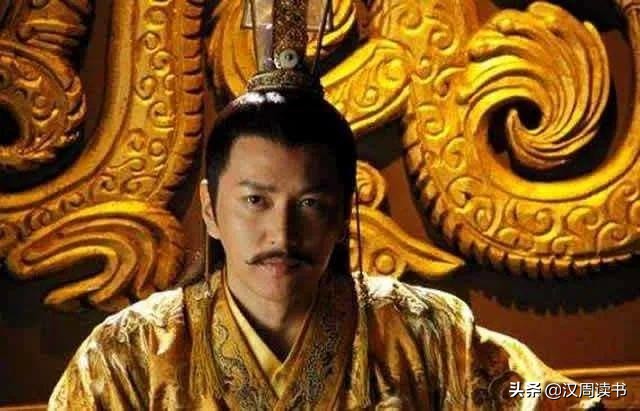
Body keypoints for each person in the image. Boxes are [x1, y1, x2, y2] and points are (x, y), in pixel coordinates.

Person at [49, 1, 602, 409]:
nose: (282, 232)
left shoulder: (427, 335)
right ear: (211, 209)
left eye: (310, 203)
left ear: (341, 216)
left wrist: (614, 391)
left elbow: (562, 396)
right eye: (255, 200)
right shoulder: (128, 356)